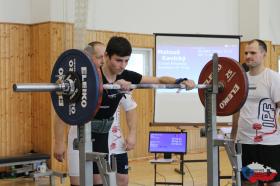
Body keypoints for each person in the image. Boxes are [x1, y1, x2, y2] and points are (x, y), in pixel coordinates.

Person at [55, 36, 196, 186]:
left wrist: (181, 80)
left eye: (126, 61)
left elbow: (159, 80)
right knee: (84, 181)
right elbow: (63, 107)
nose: (122, 65)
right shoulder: (90, 76)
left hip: (103, 134)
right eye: (118, 60)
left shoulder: (126, 75)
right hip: (84, 131)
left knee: (99, 180)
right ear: (107, 56)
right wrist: (59, 142)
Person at [54, 41, 138, 186]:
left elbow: (130, 107)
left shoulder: (117, 80)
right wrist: (59, 142)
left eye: (103, 57)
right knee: (80, 181)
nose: (102, 61)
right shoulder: (80, 83)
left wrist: (132, 133)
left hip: (111, 137)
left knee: (112, 180)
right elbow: (62, 113)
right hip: (82, 135)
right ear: (88, 58)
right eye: (99, 57)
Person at [231, 39, 280, 185]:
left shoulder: (273, 78)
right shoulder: (241, 79)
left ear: (264, 54)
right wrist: (234, 135)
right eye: (246, 53)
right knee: (249, 183)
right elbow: (237, 110)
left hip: (269, 144)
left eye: (253, 52)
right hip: (245, 142)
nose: (248, 56)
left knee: (273, 183)